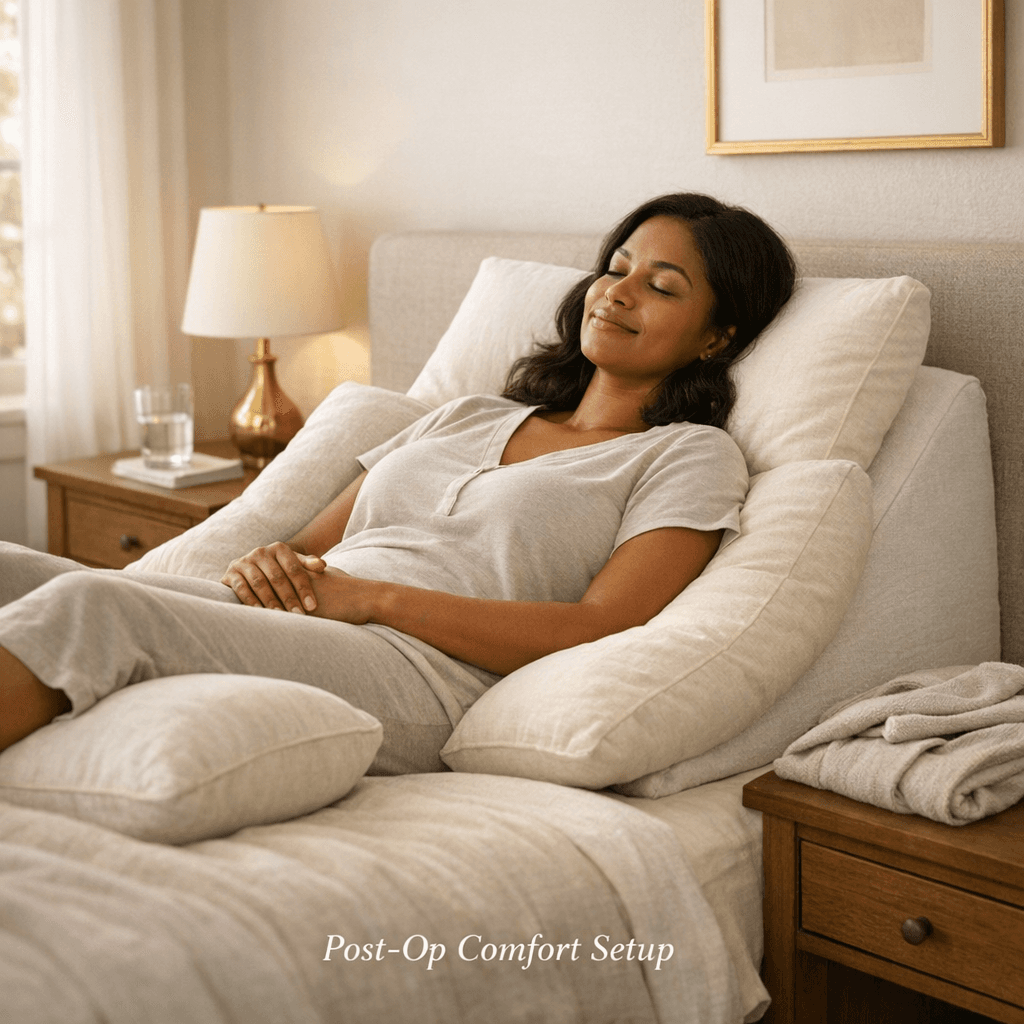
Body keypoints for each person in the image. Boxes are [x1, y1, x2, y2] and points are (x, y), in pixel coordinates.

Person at [0, 193, 795, 772]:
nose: (618, 291)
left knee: (89, 607)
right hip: (312, 614)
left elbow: (604, 624)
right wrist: (271, 564)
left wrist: (376, 600)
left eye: (661, 286)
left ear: (716, 336)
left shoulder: (683, 454)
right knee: (14, 566)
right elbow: (310, 546)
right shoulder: (471, 415)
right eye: (616, 269)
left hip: (417, 675)